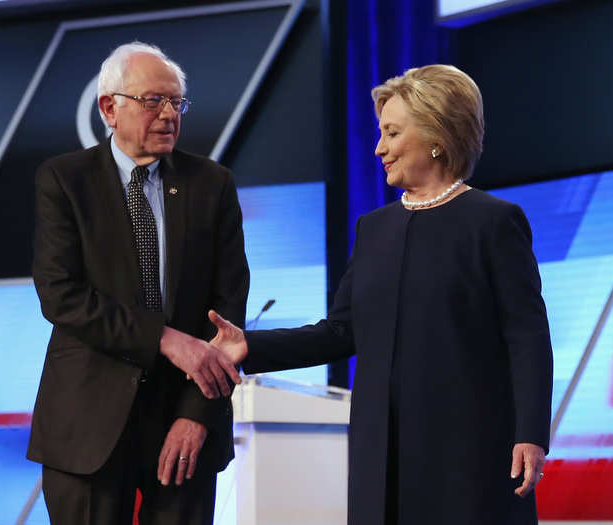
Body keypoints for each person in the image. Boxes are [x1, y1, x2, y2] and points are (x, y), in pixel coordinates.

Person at [208, 64, 553, 524]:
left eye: (391, 132)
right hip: (380, 457)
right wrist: (250, 345)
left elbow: (527, 338)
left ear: (436, 134)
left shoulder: (493, 222)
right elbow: (341, 331)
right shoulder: (374, 230)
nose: (379, 148)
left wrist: (530, 433)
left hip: (467, 456)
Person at [28, 41, 249, 525]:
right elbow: (61, 295)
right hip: (86, 424)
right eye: (154, 101)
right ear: (110, 108)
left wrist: (196, 414)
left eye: (176, 102)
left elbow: (227, 309)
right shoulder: (65, 180)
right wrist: (165, 340)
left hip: (182, 423)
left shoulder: (211, 184)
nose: (169, 114)